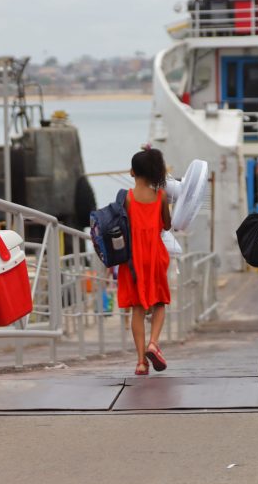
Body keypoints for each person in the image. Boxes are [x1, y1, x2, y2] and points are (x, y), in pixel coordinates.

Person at [120, 148, 173, 376]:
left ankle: (141, 362)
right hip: (155, 256)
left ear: (132, 172)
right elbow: (168, 225)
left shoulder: (127, 198)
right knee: (159, 302)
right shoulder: (161, 196)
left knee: (138, 309)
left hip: (134, 259)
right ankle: (154, 343)